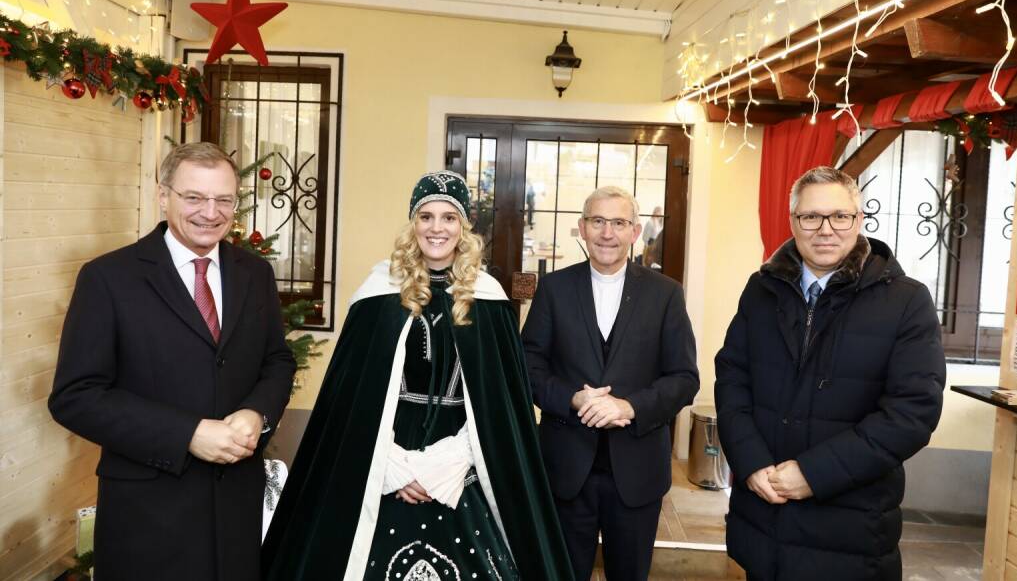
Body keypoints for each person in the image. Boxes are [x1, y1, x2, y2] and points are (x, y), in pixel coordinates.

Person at [261, 170, 573, 580]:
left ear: (464, 227)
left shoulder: (490, 300)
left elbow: (500, 410)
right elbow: (351, 401)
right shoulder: (377, 294)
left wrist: (447, 465)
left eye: (449, 217)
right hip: (383, 453)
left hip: (464, 458)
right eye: (426, 216)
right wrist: (394, 466)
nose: (437, 228)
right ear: (413, 224)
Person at [48, 142, 296, 581]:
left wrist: (258, 413)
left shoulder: (255, 273)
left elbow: (277, 360)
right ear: (163, 196)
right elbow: (75, 397)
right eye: (194, 197)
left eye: (224, 199)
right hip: (147, 516)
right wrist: (188, 434)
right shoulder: (108, 278)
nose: (211, 212)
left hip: (236, 508)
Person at [714, 166, 946, 581]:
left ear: (858, 221)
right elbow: (732, 378)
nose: (826, 229)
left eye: (840, 216)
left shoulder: (906, 300)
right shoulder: (761, 289)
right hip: (763, 517)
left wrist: (812, 474)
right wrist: (750, 463)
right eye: (810, 217)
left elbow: (912, 414)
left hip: (849, 532)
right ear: (793, 222)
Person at [523, 186, 699, 581]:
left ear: (635, 232)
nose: (607, 233)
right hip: (565, 470)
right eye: (598, 221)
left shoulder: (666, 294)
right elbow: (528, 367)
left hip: (637, 473)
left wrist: (629, 406)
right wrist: (572, 398)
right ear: (582, 229)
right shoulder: (553, 288)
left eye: (619, 223)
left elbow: (685, 379)